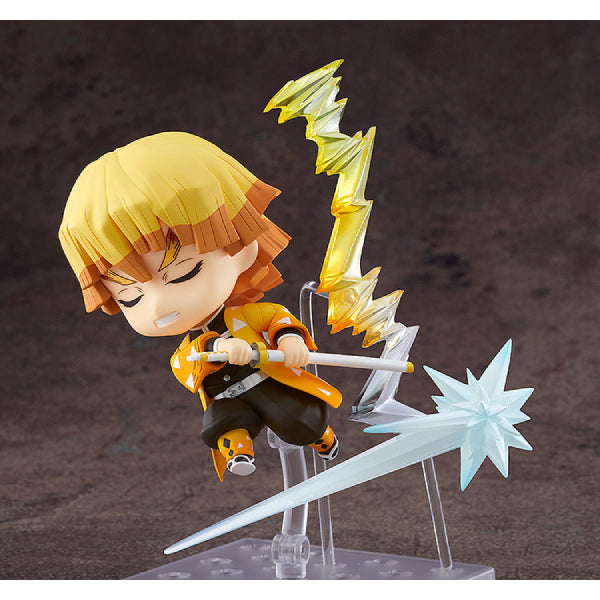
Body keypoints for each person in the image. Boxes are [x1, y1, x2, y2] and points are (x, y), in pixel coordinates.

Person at [59, 131, 341, 481]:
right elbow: (185, 366)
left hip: (268, 380)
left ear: (242, 248)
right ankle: (239, 452)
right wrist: (216, 348)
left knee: (295, 416)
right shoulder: (189, 349)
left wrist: (291, 341)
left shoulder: (248, 316)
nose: (158, 304)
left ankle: (321, 436)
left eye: (184, 273)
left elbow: (278, 319)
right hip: (228, 397)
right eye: (130, 297)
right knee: (222, 421)